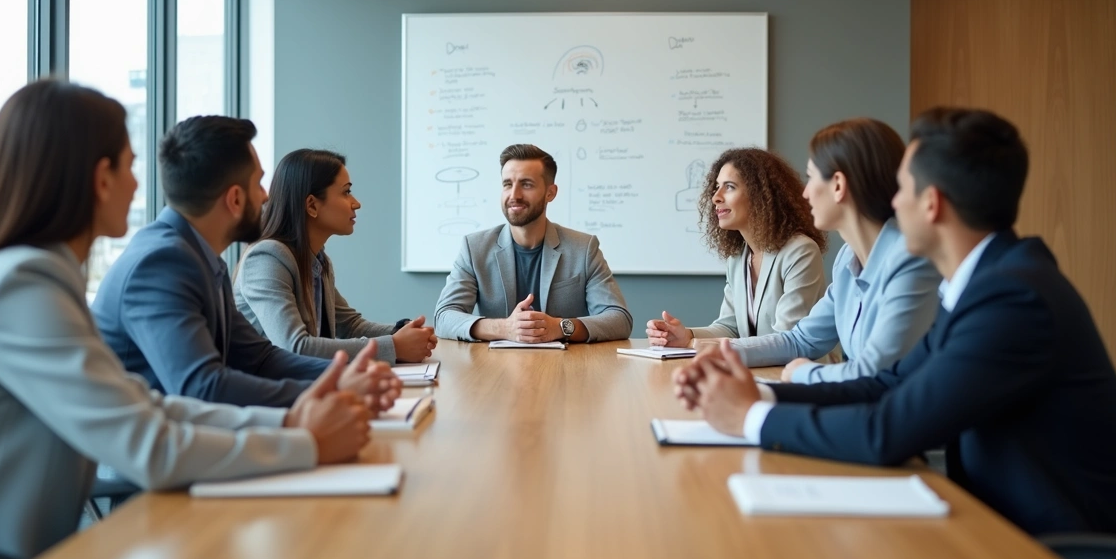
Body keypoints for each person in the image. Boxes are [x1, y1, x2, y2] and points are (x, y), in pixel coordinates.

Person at [0, 80, 380, 559]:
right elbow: (150, 439)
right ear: (99, 178)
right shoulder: (21, 287)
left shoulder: (36, 277)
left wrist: (296, 420)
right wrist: (305, 440)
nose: (137, 185)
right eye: (130, 167)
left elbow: (148, 406)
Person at [674, 108, 1116, 538]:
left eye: (902, 187)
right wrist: (762, 393)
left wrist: (752, 417)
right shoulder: (986, 282)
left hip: (1054, 551)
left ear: (931, 203)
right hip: (999, 523)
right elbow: (887, 383)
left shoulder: (1013, 299)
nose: (891, 202)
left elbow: (888, 430)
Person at [92, 116, 400, 408]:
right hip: (160, 460)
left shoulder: (201, 260)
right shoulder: (161, 264)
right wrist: (334, 389)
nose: (267, 197)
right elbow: (204, 388)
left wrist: (343, 377)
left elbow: (261, 358)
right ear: (235, 199)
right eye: (259, 184)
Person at [717, 120, 942, 384]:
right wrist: (719, 353)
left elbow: (875, 371)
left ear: (838, 185)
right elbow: (801, 339)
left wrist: (802, 372)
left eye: (811, 177)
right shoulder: (847, 259)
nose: (805, 192)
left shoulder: (911, 259)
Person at [235, 148, 437, 363]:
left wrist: (404, 332)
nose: (356, 203)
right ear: (312, 205)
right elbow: (295, 346)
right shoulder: (266, 259)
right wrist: (394, 346)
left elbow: (351, 326)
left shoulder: (318, 261)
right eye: (346, 192)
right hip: (270, 393)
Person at [434, 144, 633, 343]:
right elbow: (444, 316)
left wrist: (560, 327)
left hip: (565, 369)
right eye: (507, 184)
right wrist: (505, 328)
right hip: (494, 368)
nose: (514, 195)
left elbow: (619, 319)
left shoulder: (583, 248)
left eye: (526, 184)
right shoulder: (475, 248)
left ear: (550, 193)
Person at [646, 148, 826, 347]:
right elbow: (730, 328)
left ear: (760, 195)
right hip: (757, 371)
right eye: (716, 187)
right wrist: (687, 335)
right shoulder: (738, 258)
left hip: (798, 374)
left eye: (729, 187)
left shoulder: (800, 251)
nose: (716, 197)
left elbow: (787, 340)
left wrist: (699, 345)